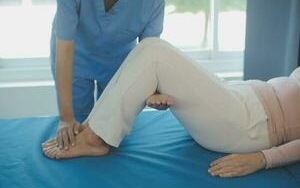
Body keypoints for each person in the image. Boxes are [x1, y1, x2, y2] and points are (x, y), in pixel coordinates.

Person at [42, 38, 300, 178]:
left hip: (250, 124)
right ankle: (93, 126)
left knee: (154, 52)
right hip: (242, 99)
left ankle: (95, 138)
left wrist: (261, 159)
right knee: (148, 50)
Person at [50, 0, 165, 151]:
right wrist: (66, 118)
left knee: (107, 130)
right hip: (75, 57)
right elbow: (65, 50)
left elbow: (148, 56)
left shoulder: (152, 0)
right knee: (75, 127)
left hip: (118, 62)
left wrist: (154, 91)